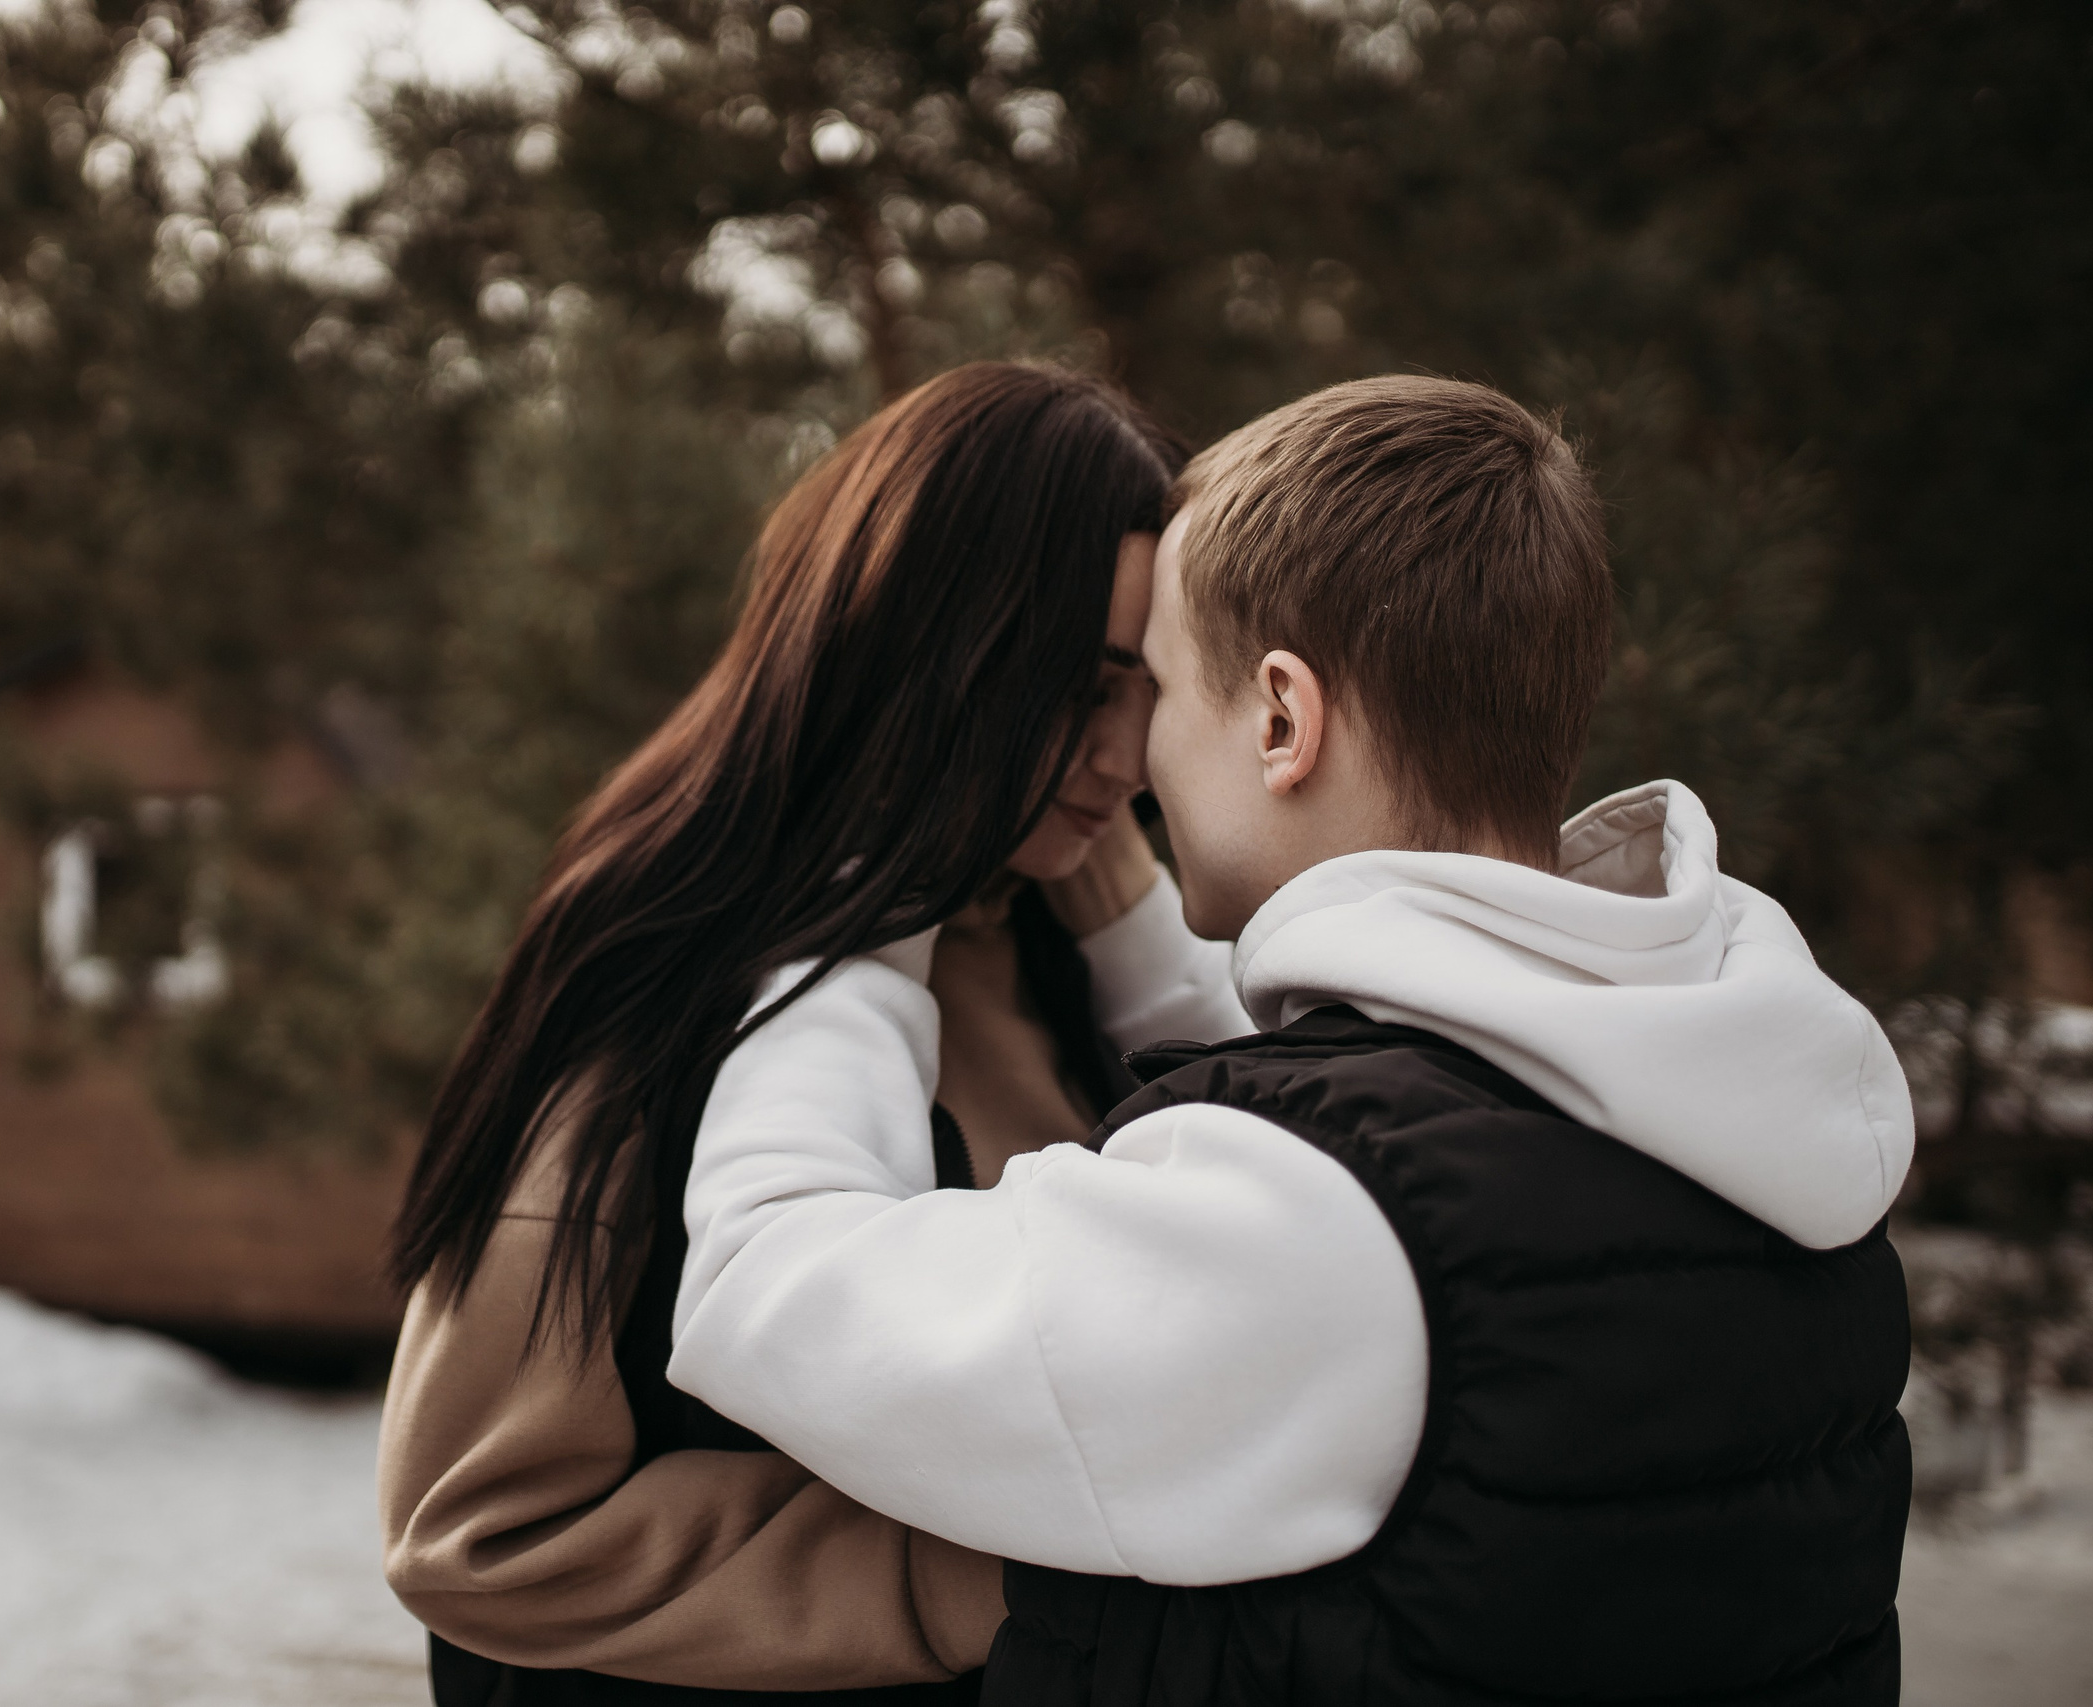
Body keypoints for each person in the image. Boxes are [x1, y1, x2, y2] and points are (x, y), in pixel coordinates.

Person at [668, 375, 1917, 1704]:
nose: (1131, 761)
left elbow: (765, 1285)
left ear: (1280, 719)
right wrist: (1125, 917)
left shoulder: (1311, 1227)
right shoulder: (1757, 1112)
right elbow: (1381, 1079)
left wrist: (865, 906)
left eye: (1148, 689)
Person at [377, 361, 1244, 1703]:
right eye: (1078, 690)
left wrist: (1118, 896)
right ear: (937, 662)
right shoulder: (658, 981)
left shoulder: (1048, 942)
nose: (1126, 760)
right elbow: (477, 1536)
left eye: (1156, 694)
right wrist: (991, 1577)